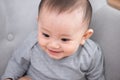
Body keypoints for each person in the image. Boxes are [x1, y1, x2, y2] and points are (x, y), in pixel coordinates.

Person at [1, 0, 105, 80]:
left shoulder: (90, 54)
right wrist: (9, 77)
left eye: (64, 39)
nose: (53, 45)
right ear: (39, 24)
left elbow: (96, 77)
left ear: (84, 36)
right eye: (46, 35)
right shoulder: (33, 42)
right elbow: (18, 62)